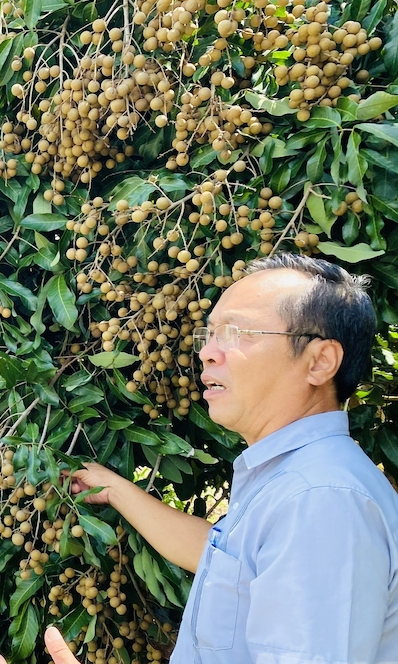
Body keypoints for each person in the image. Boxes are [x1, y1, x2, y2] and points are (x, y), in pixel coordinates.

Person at [65, 254, 398, 662]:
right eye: (210, 335)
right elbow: (227, 560)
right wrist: (115, 490)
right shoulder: (288, 482)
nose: (207, 353)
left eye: (237, 332)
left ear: (320, 361)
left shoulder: (319, 500)